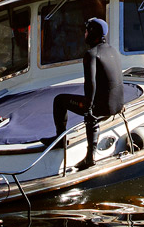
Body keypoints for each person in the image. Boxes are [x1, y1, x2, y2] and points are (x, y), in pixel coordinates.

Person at [48, 17, 124, 170]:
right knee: (91, 105)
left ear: (92, 33)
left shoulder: (91, 54)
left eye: (86, 31)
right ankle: (86, 150)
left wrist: (89, 108)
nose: (84, 34)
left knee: (60, 100)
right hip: (118, 105)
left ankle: (73, 147)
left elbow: (90, 83)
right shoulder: (112, 50)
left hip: (101, 107)